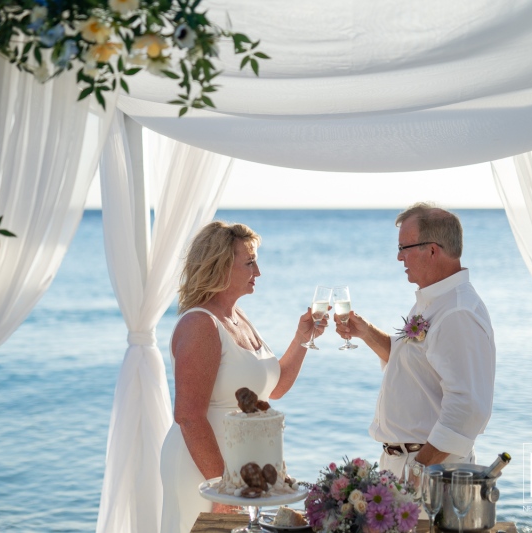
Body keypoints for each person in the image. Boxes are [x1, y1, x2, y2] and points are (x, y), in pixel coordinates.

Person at [160, 221, 326, 533]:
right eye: (249, 263)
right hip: (202, 470)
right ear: (219, 266)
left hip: (238, 471)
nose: (258, 272)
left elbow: (273, 390)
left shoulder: (239, 317)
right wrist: (222, 487)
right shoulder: (200, 324)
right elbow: (189, 416)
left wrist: (303, 338)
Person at [336, 202, 495, 480]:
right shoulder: (434, 301)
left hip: (433, 470)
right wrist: (366, 332)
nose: (399, 258)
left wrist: (419, 469)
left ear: (432, 250)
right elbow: (411, 364)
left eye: (403, 248)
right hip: (405, 465)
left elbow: (469, 409)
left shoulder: (458, 312)